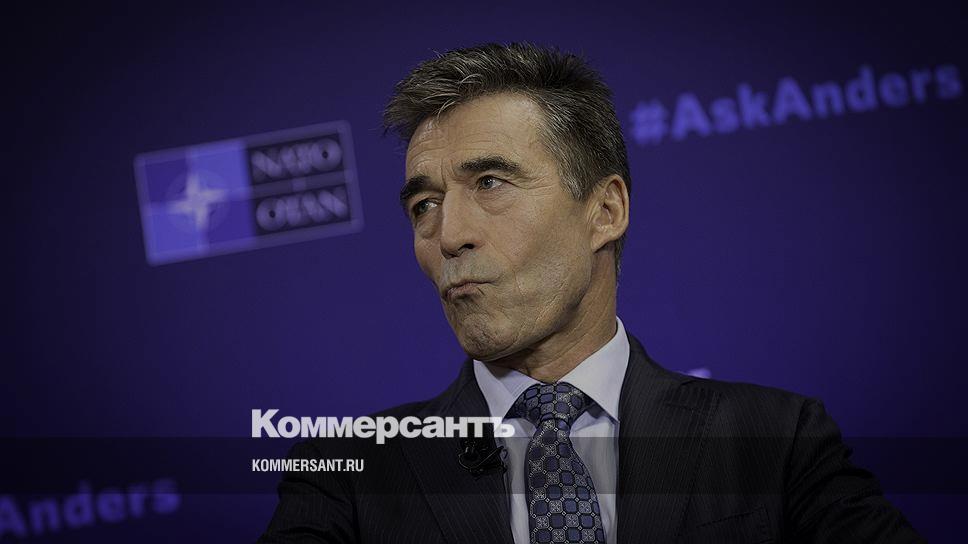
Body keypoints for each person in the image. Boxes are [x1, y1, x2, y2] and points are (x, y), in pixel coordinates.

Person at [259, 42, 922, 543]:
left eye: (490, 183)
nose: (448, 234)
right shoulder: (347, 474)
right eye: (424, 205)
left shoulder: (775, 442)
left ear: (605, 211)